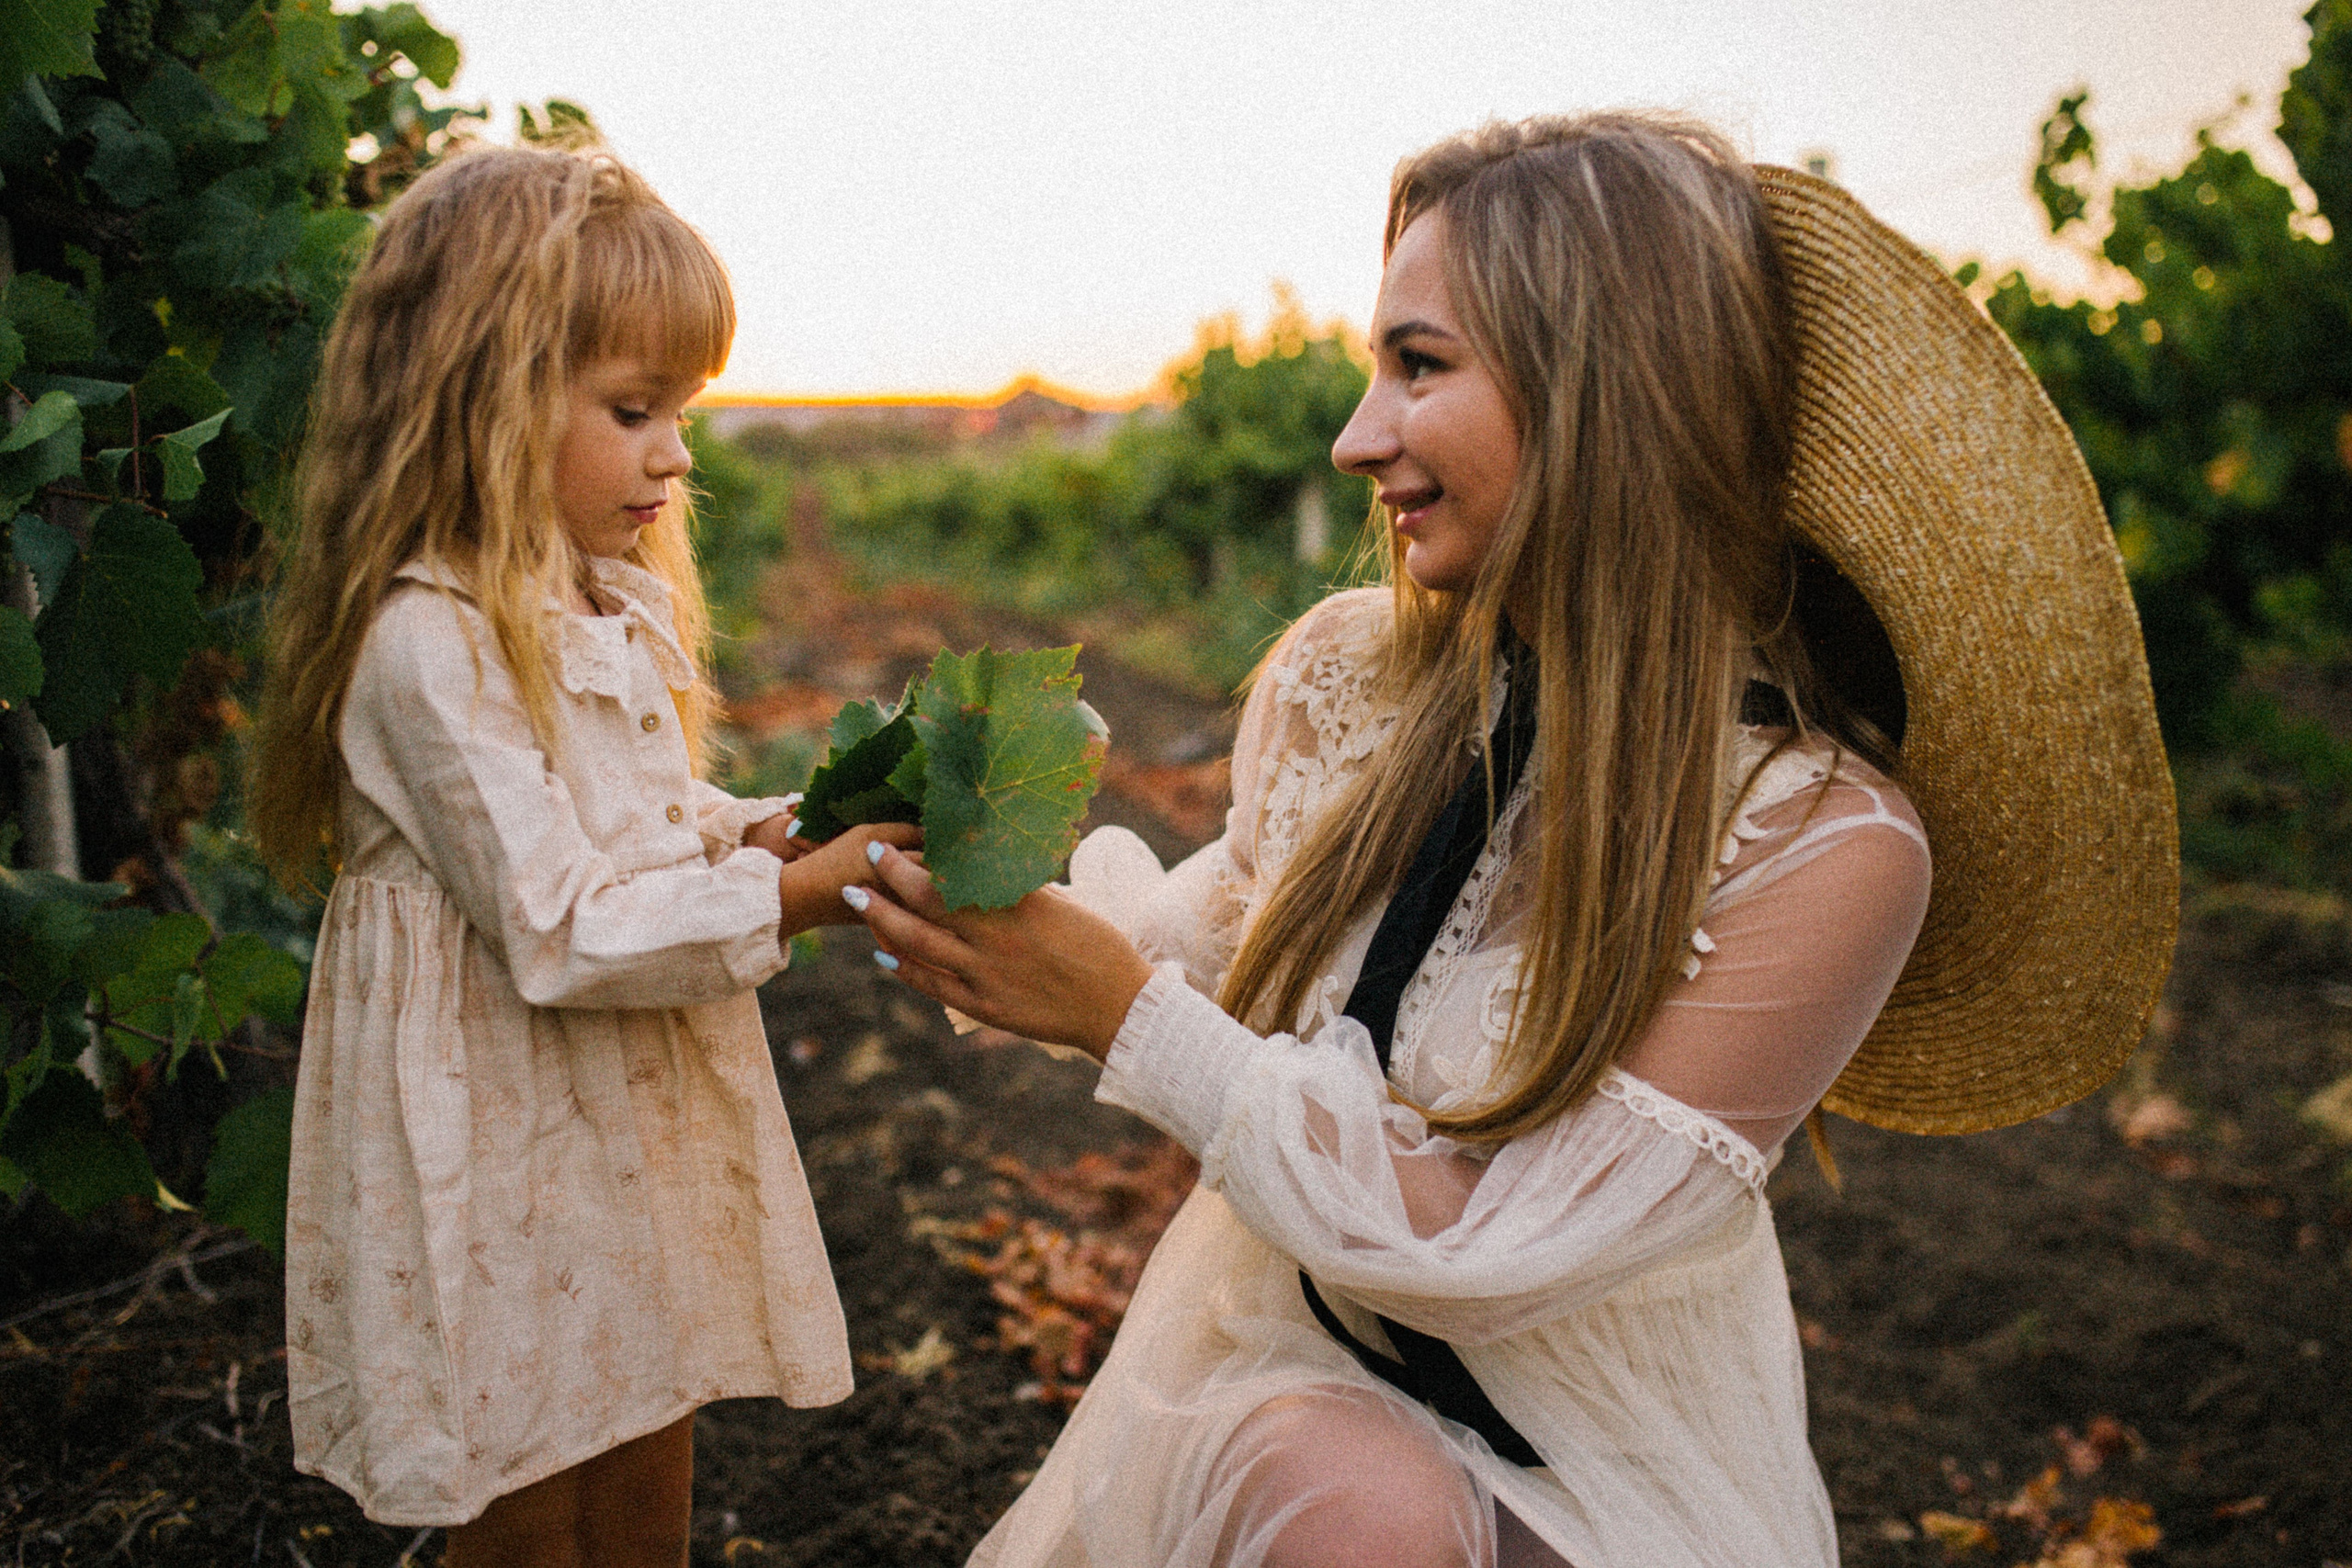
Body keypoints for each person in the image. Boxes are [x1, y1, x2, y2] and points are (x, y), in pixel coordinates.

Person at [845, 112, 2177, 1567]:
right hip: (1300, 1374)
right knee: (1327, 1471)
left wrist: (1119, 1013)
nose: (1357, 438)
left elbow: (1491, 1253)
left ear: (1609, 394)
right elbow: (1210, 950)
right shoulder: (1347, 675)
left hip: (1593, 1471)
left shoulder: (1826, 839)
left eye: (1418, 365)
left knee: (1344, 1494)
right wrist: (959, 872)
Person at [249, 144, 917, 1566]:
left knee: (643, 1429)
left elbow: (639, 821)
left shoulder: (595, 602)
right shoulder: (428, 643)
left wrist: (763, 829)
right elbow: (559, 922)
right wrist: (798, 897)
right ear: (483, 398)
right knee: (531, 1476)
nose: (675, 451)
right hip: (495, 1141)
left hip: (610, 1117)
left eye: (681, 409)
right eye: (635, 409)